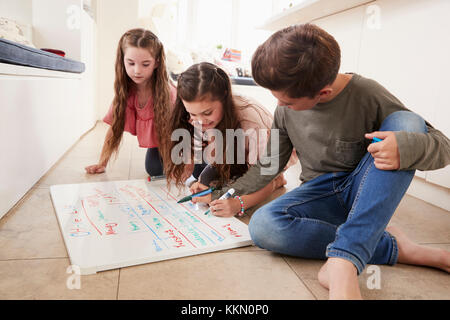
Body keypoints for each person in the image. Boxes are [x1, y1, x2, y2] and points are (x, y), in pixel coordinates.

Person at [194, 24, 450, 299]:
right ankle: (390, 245)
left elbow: (444, 147)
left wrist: (405, 146)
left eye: (287, 101)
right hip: (321, 195)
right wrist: (221, 192)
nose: (279, 106)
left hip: (365, 193)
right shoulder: (284, 109)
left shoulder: (367, 93)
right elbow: (268, 167)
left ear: (323, 94)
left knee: (407, 123)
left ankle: (342, 264)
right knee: (264, 226)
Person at [159, 62, 296, 216]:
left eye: (207, 112)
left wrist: (238, 204)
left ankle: (278, 181)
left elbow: (263, 174)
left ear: (224, 96)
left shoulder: (250, 122)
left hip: (268, 160)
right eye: (193, 114)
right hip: (236, 151)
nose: (200, 121)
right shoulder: (199, 117)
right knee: (204, 180)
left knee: (253, 187)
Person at [85, 28, 176, 178]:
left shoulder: (168, 93)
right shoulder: (126, 92)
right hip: (161, 141)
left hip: (183, 138)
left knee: (186, 168)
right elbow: (114, 128)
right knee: (154, 169)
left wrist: (184, 162)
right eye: (131, 63)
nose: (137, 71)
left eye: (145, 64)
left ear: (156, 63)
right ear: (123, 60)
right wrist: (102, 163)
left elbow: (183, 131)